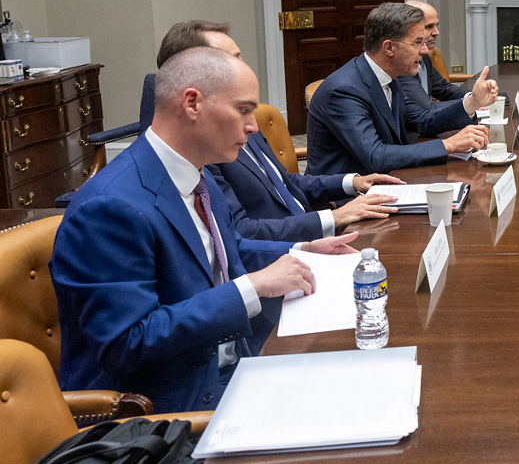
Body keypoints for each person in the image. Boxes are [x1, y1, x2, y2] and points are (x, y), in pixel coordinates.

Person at [51, 47, 358, 412]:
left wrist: (300, 251)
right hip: (164, 409)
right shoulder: (110, 207)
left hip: (233, 365)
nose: (253, 126)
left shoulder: (198, 176)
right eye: (243, 110)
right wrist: (251, 287)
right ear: (192, 103)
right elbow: (127, 342)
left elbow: (225, 251)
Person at [156, 19, 403, 242]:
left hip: (312, 232)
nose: (243, 66)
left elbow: (283, 183)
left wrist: (353, 181)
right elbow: (241, 232)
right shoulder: (198, 147)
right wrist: (334, 218)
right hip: (285, 249)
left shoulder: (241, 122)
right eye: (230, 60)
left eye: (239, 57)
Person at [306, 2, 494, 175]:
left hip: (388, 179)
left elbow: (421, 120)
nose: (425, 50)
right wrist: (448, 145)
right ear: (389, 48)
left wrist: (472, 102)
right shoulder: (344, 90)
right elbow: (375, 156)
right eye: (417, 42)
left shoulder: (389, 76)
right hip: (346, 198)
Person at [401, 0, 468, 104]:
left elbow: (442, 88)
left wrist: (472, 97)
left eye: (436, 26)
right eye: (429, 27)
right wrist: (468, 105)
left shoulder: (425, 56)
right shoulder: (401, 64)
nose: (436, 32)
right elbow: (421, 111)